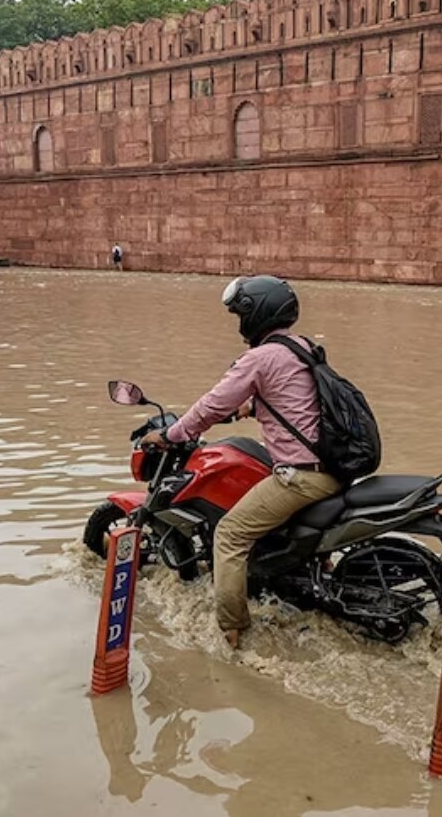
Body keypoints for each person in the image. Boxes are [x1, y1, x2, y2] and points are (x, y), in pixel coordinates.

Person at [140, 276, 340, 649]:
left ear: (257, 314)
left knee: (230, 535)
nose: (239, 324)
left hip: (302, 477)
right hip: (333, 469)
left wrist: (169, 435)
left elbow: (211, 405)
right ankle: (308, 568)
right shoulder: (302, 347)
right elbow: (297, 401)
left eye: (241, 315)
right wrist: (252, 407)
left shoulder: (260, 357)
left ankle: (232, 630)